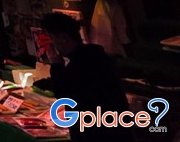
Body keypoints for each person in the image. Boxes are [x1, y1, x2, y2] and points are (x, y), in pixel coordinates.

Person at [40, 13, 132, 142]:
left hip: (98, 134)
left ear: (63, 38)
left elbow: (64, 95)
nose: (51, 45)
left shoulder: (82, 63)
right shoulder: (95, 56)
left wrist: (56, 65)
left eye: (51, 38)